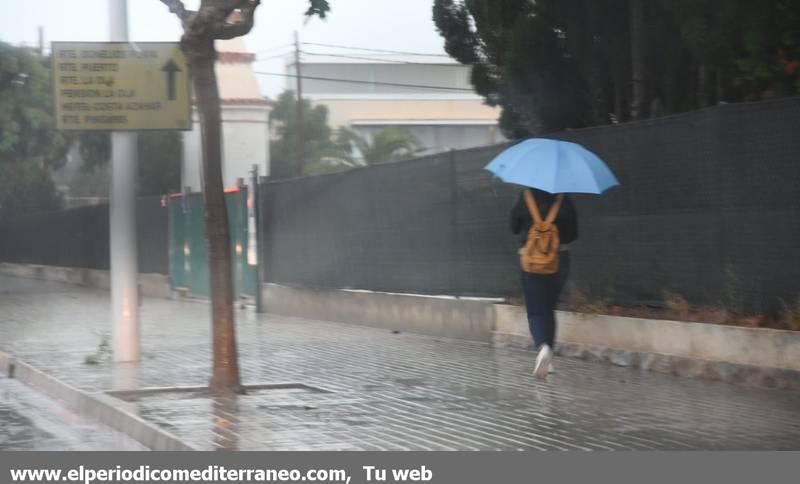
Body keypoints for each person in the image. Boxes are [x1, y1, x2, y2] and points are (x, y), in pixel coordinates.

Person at [510, 188, 578, 378]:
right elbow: (573, 234)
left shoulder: (524, 196)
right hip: (559, 259)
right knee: (549, 308)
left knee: (536, 309)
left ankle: (543, 347)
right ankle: (549, 359)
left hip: (530, 260)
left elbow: (513, 227)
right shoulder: (563, 198)